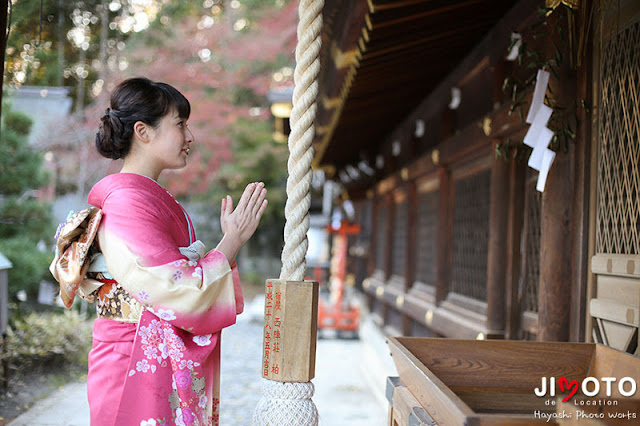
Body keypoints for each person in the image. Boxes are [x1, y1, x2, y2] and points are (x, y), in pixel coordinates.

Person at [86, 77, 267, 425]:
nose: (190, 137)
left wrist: (228, 242)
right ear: (143, 131)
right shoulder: (127, 202)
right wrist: (231, 241)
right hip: (130, 356)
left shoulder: (148, 198)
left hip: (144, 349)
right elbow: (175, 289)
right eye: (180, 124)